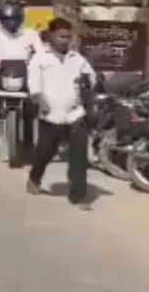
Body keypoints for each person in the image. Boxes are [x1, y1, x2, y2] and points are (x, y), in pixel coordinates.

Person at [26, 18, 97, 208]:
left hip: (75, 115)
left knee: (78, 159)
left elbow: (92, 79)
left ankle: (79, 197)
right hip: (50, 117)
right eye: (61, 36)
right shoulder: (40, 59)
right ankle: (35, 177)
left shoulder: (78, 59)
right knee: (45, 153)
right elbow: (34, 86)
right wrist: (40, 99)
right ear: (51, 36)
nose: (65, 40)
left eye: (68, 37)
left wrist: (87, 83)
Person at [0, 1, 45, 133]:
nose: (11, 23)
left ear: (21, 18)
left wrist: (44, 64)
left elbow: (41, 53)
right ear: (1, 19)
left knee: (38, 95)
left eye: (14, 19)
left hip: (25, 72)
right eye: (7, 19)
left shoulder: (31, 33)